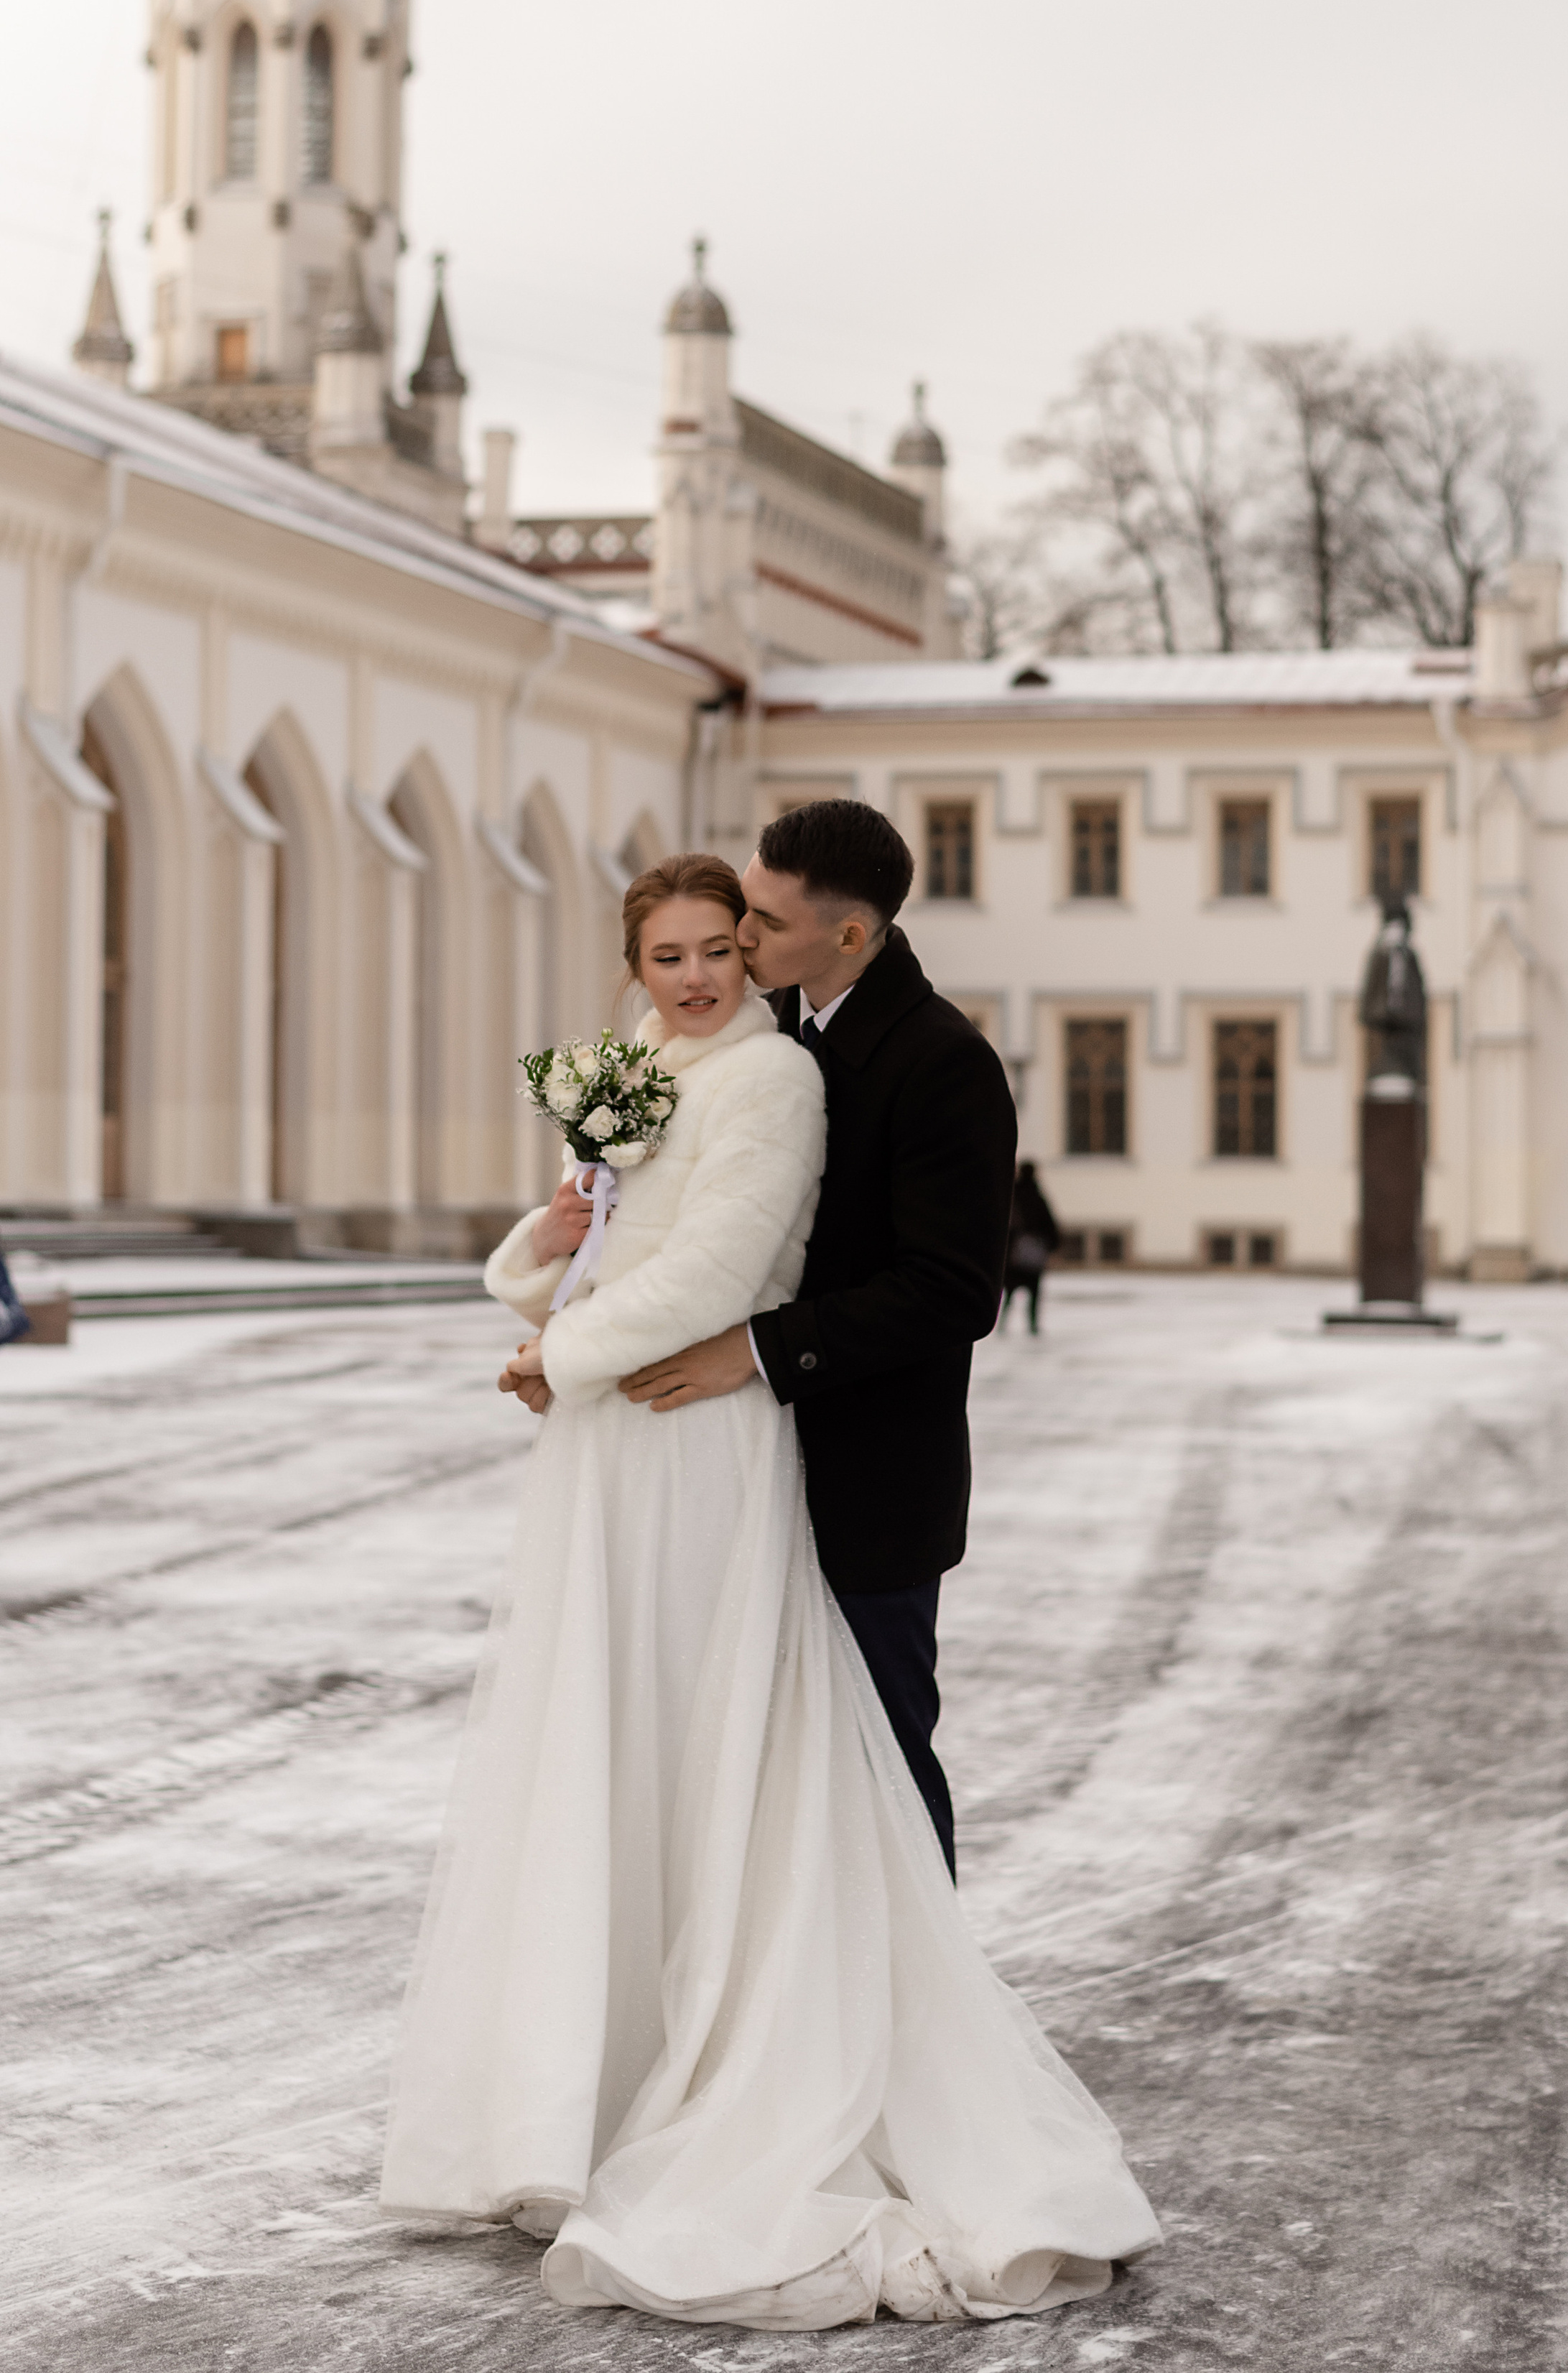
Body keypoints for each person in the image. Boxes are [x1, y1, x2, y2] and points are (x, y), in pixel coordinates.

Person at [380, 851, 1159, 2329]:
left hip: (732, 1441)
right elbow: (599, 1247)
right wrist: (540, 1272)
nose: (708, 965)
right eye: (674, 949)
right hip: (625, 1443)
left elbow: (750, 1268)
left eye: (733, 940)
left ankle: (866, 2053)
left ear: (814, 934)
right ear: (633, 965)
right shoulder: (653, 1067)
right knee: (617, 1749)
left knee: (810, 1768)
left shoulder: (820, 1069)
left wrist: (571, 1352)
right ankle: (610, 2081)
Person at [613, 800, 1017, 1880]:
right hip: (748, 1474)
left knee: (879, 1757)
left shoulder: (943, 1061)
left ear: (850, 935)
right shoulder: (773, 1032)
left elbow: (951, 1289)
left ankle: (919, 2025)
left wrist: (754, 1348)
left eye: (760, 919)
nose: (738, 937)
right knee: (768, 1769)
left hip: (870, 1482)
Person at [1001, 1160, 1060, 1336]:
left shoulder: (1013, 1195)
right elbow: (1048, 1223)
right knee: (1033, 1293)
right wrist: (1052, 1244)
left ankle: (1003, 1323)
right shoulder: (1036, 1195)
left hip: (1014, 1253)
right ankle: (1032, 1325)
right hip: (1032, 1253)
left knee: (1009, 1292)